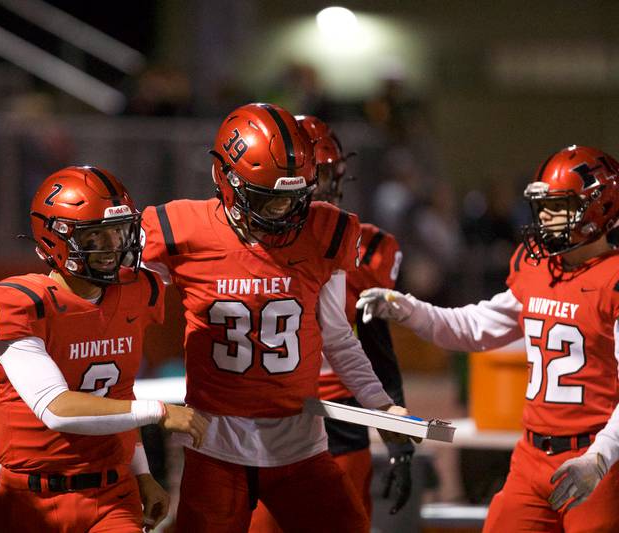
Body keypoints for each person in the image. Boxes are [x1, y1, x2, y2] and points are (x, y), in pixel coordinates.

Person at [140, 102, 413, 533]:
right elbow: (115, 285)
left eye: (295, 198)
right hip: (217, 444)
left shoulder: (325, 232)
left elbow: (339, 338)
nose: (285, 213)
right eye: (270, 200)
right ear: (226, 181)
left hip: (298, 445)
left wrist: (382, 406)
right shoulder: (181, 228)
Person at [0, 166, 208, 532]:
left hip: (112, 494)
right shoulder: (22, 305)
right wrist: (159, 412)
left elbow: (118, 395)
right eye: (95, 238)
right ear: (54, 240)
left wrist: (141, 473)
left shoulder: (136, 291)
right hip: (32, 500)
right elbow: (56, 408)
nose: (113, 248)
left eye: (118, 232)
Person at [357, 145, 619, 532]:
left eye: (558, 205)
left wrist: (599, 459)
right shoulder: (537, 268)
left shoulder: (612, 280)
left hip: (594, 457)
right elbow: (474, 327)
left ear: (597, 208)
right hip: (531, 456)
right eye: (542, 204)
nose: (544, 216)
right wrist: (408, 308)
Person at [247, 115, 414, 533]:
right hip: (261, 417)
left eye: (321, 175)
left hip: (339, 416)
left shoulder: (362, 244)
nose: (317, 188)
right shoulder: (233, 244)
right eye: (305, 175)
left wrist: (393, 428)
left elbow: (375, 342)